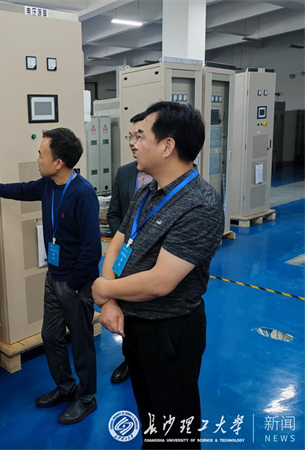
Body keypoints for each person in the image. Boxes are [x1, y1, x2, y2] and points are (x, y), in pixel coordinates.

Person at [92, 101, 224, 449]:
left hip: (170, 331)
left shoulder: (200, 204)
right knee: (150, 414)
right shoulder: (147, 191)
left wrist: (104, 288)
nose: (133, 144)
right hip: (134, 321)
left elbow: (160, 282)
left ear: (167, 146)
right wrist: (110, 301)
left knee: (174, 424)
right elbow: (117, 244)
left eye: (140, 136)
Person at [0, 128, 101, 425]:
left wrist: (75, 284)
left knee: (81, 343)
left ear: (58, 163)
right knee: (50, 336)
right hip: (53, 277)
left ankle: (87, 397)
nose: (37, 159)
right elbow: (19, 190)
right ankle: (66, 387)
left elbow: (92, 249)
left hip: (75, 283)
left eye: (41, 154)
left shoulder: (83, 194)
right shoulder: (47, 185)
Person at [106, 111, 152, 384]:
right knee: (126, 308)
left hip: (154, 260)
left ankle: (148, 360)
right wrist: (123, 240)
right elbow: (114, 213)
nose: (133, 143)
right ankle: (129, 359)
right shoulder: (124, 173)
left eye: (139, 137)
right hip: (125, 254)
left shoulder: (167, 181)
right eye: (130, 137)